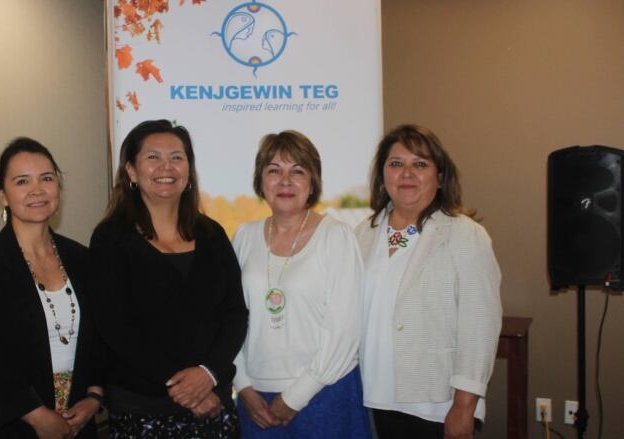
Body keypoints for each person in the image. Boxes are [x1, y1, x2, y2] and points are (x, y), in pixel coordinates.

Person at [88, 119, 248, 438]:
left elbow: (235, 315)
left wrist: (208, 375)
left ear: (189, 170)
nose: (167, 166)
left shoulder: (211, 234)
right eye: (153, 157)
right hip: (142, 409)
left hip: (213, 403)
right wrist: (184, 387)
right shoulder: (111, 238)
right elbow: (114, 329)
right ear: (131, 171)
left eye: (177, 157)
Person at [355, 124, 502, 439]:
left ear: (440, 176)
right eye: (396, 164)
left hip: (437, 404)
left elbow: (480, 327)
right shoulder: (363, 234)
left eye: (419, 164)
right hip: (370, 397)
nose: (407, 173)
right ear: (383, 176)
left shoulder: (464, 235)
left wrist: (464, 406)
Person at [0, 137, 103, 439]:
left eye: (46, 178)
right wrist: (36, 416)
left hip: (78, 421)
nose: (37, 190)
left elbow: (101, 337)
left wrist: (94, 397)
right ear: (3, 196)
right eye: (22, 181)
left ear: (58, 188)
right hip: (8, 424)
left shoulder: (83, 259)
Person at [232, 130, 371, 438]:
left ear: (312, 183)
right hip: (255, 398)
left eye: (297, 171)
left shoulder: (336, 236)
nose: (285, 181)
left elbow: (344, 329)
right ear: (260, 181)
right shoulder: (244, 236)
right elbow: (228, 318)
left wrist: (295, 397)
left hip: (323, 393)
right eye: (273, 171)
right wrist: (242, 385)